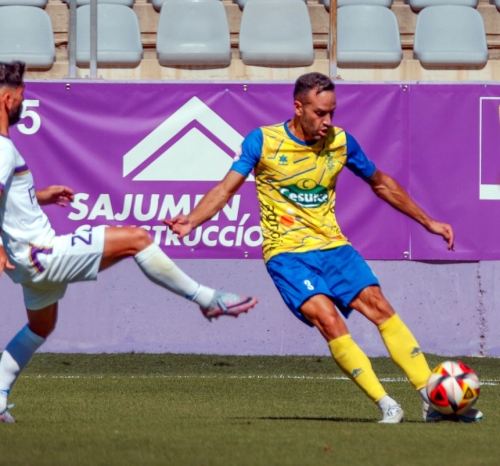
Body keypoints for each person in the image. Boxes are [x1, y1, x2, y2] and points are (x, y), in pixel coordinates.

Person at [165, 72, 482, 424]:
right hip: (287, 255)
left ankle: (429, 397)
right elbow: (226, 189)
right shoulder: (263, 142)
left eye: (332, 112)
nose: (327, 122)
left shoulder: (341, 142)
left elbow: (381, 183)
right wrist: (193, 220)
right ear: (298, 107)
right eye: (319, 113)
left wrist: (428, 222)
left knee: (380, 307)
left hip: (334, 247)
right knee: (329, 320)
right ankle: (386, 403)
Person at [0, 61, 258, 423]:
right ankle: (208, 299)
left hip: (25, 263)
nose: (25, 102)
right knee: (138, 238)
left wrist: (38, 196)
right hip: (41, 253)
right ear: (9, 99)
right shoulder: (0, 148)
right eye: (23, 95)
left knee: (41, 327)